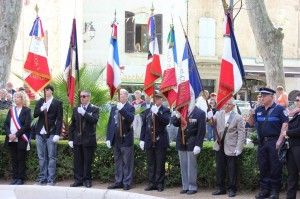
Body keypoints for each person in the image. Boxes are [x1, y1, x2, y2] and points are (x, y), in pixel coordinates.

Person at [248, 87, 289, 199]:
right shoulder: (258, 109)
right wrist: (252, 114)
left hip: (274, 141)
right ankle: (264, 190)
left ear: (271, 97)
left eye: (264, 95)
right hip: (262, 143)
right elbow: (251, 124)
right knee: (263, 166)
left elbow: (285, 124)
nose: (262, 97)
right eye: (261, 95)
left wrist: (280, 140)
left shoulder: (279, 109)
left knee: (275, 167)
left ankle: (274, 191)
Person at [210, 97, 245, 197]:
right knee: (220, 168)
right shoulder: (218, 113)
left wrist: (239, 147)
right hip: (220, 144)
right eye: (225, 104)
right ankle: (220, 188)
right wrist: (208, 116)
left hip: (232, 146)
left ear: (233, 106)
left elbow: (241, 133)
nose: (226, 105)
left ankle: (232, 189)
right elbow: (211, 122)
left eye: (229, 104)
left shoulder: (237, 117)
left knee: (232, 169)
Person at [140, 90, 171, 192]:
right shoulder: (148, 110)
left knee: (160, 164)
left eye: (157, 98)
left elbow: (166, 121)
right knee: (151, 164)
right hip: (149, 139)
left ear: (161, 100)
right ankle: (151, 183)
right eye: (154, 98)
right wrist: (142, 139)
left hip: (160, 140)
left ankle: (159, 183)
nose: (155, 100)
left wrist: (157, 113)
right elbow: (144, 125)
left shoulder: (165, 110)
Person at [172, 105, 206, 195]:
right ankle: (185, 186)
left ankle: (192, 186)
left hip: (192, 141)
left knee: (191, 165)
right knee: (183, 165)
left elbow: (201, 130)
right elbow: (174, 124)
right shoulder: (182, 110)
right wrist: (177, 116)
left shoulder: (200, 113)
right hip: (181, 141)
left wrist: (198, 145)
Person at [68, 90, 99, 188]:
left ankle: (87, 180)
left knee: (87, 161)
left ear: (89, 97)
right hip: (78, 139)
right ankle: (78, 180)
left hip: (88, 139)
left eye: (84, 96)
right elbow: (72, 125)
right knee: (78, 161)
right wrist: (70, 139)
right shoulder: (76, 109)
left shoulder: (94, 109)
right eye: (81, 96)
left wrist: (84, 113)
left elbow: (94, 120)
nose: (82, 98)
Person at [33, 84, 63, 186]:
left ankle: (51, 178)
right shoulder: (41, 101)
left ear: (52, 91)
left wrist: (57, 134)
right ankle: (42, 178)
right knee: (41, 157)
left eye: (48, 89)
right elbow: (35, 114)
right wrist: (41, 108)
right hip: (39, 132)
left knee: (51, 157)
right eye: (44, 90)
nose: (46, 91)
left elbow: (59, 119)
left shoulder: (57, 103)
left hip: (51, 132)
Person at [106, 89, 135, 190]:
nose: (118, 96)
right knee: (118, 161)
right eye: (118, 94)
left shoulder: (130, 107)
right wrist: (108, 138)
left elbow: (130, 118)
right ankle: (118, 181)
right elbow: (110, 124)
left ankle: (127, 182)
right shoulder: (114, 108)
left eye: (121, 94)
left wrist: (122, 109)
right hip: (116, 140)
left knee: (127, 162)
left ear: (126, 97)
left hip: (125, 139)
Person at [4, 91, 31, 185]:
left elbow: (27, 125)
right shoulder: (11, 110)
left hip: (21, 138)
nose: (15, 99)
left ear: (22, 99)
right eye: (14, 97)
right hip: (11, 138)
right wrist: (9, 134)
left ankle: (20, 178)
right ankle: (15, 177)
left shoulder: (27, 110)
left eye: (17, 97)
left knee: (20, 159)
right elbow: (6, 124)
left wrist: (16, 135)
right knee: (14, 159)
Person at [280, 93, 300, 199]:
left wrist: (287, 133)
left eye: (298, 100)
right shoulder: (297, 114)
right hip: (292, 147)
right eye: (296, 100)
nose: (297, 102)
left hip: (298, 147)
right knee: (292, 175)